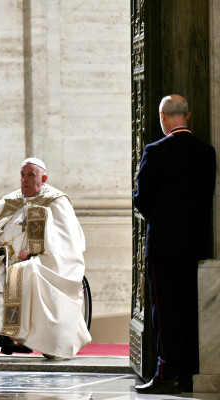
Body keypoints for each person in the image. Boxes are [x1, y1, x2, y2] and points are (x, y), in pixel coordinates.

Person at [0, 158, 91, 358]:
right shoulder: (10, 201)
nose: (25, 180)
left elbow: (67, 242)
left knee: (25, 271)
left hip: (40, 261)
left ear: (43, 178)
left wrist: (35, 250)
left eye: (31, 175)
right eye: (22, 175)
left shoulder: (56, 201)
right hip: (2, 260)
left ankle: (14, 334)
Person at [134, 95, 216, 394]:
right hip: (195, 243)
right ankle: (189, 373)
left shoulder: (155, 151)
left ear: (162, 116)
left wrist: (164, 221)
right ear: (188, 116)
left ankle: (167, 373)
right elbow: (206, 200)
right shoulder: (207, 153)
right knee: (191, 307)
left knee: (165, 311)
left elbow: (141, 198)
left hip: (164, 247)